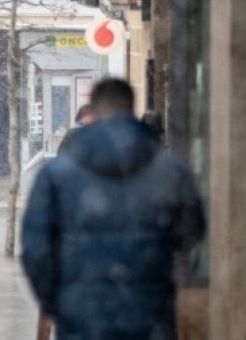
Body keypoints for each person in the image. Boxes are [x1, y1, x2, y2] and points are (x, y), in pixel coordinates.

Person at [21, 78, 205, 340]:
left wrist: (57, 303)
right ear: (131, 109)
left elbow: (36, 251)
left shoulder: (56, 175)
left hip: (81, 321)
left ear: (92, 111)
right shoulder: (171, 171)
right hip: (150, 319)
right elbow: (191, 235)